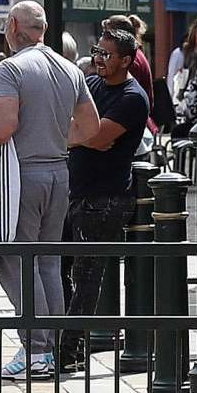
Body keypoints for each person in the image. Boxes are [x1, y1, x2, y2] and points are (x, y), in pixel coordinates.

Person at [0, 0, 99, 380]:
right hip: (58, 171)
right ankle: (49, 350)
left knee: (14, 260)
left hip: (23, 173)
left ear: (13, 25)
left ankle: (34, 350)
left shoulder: (10, 68)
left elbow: (3, 126)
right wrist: (55, 137)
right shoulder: (70, 68)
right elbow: (90, 128)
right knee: (49, 262)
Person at [63, 25, 151, 370]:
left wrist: (82, 133)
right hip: (76, 191)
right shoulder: (93, 83)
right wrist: (80, 133)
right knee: (58, 267)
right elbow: (73, 126)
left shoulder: (132, 98)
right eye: (97, 52)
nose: (98, 59)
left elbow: (98, 137)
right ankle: (68, 341)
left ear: (127, 60)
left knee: (87, 277)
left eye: (106, 54)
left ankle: (69, 351)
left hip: (106, 199)